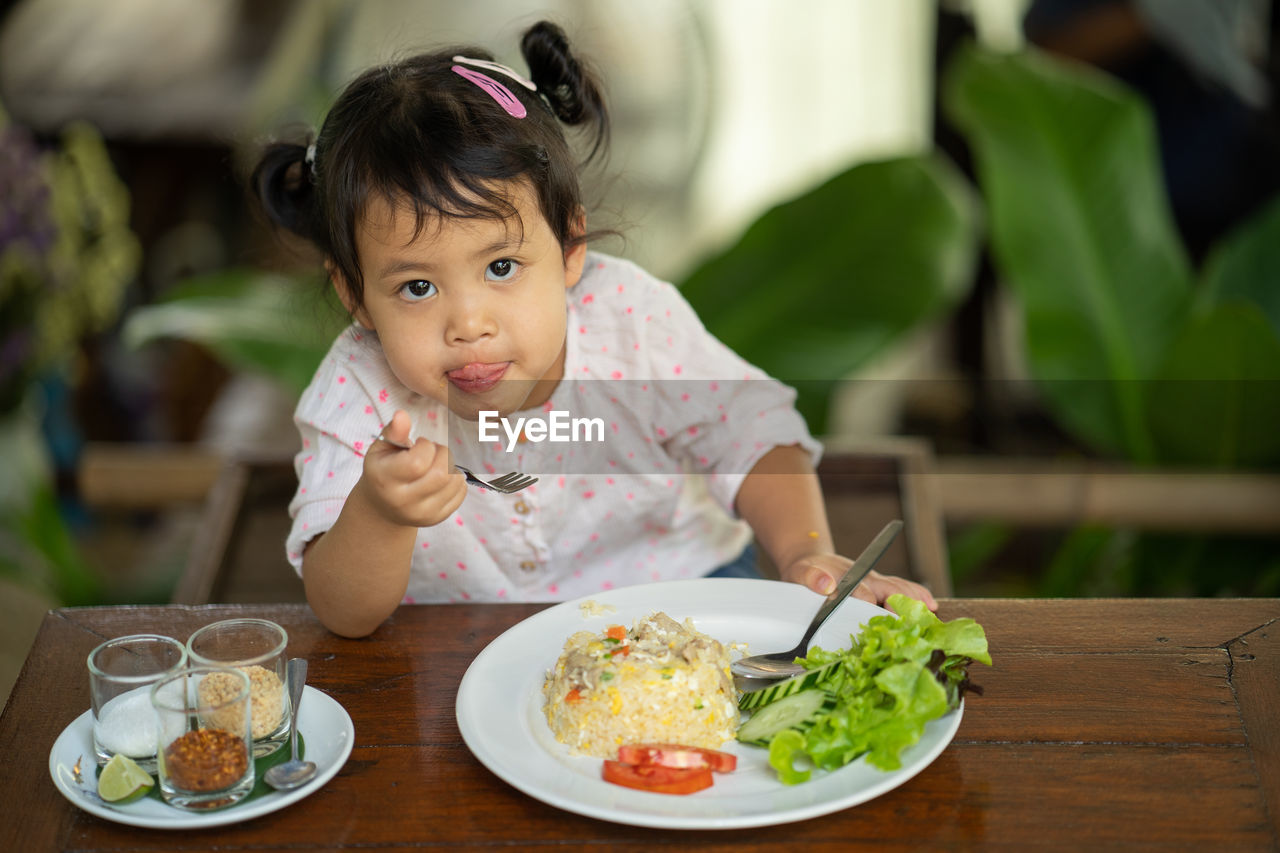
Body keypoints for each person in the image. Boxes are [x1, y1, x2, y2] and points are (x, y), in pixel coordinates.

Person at [252, 20, 937, 638]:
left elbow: (751, 435)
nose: (468, 323)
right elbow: (342, 612)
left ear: (571, 246)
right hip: (463, 644)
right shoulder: (358, 391)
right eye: (417, 287)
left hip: (688, 595)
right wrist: (380, 512)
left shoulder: (631, 322)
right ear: (358, 298)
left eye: (500, 266)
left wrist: (802, 550)